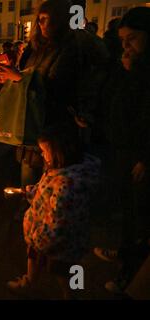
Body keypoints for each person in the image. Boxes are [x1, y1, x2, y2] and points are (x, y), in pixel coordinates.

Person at [0, 0, 109, 187]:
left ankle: (43, 212)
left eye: (46, 19)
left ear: (60, 20)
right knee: (29, 178)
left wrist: (19, 79)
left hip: (54, 128)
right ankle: (31, 211)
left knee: (52, 181)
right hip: (31, 126)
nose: (41, 24)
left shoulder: (71, 48)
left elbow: (59, 88)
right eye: (39, 20)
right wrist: (8, 77)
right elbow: (25, 77)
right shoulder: (35, 48)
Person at [7, 124, 101, 299]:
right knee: (33, 257)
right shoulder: (59, 169)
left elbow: (60, 224)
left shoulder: (68, 185)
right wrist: (29, 192)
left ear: (59, 151)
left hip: (59, 241)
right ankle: (28, 282)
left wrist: (38, 239)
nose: (42, 155)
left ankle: (73, 295)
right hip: (42, 231)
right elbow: (47, 190)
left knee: (64, 270)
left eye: (45, 151)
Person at [93, 7, 150, 295]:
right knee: (127, 210)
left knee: (139, 216)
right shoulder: (130, 66)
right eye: (123, 40)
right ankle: (126, 252)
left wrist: (145, 158)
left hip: (139, 156)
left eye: (133, 39)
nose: (126, 46)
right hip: (122, 148)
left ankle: (131, 272)